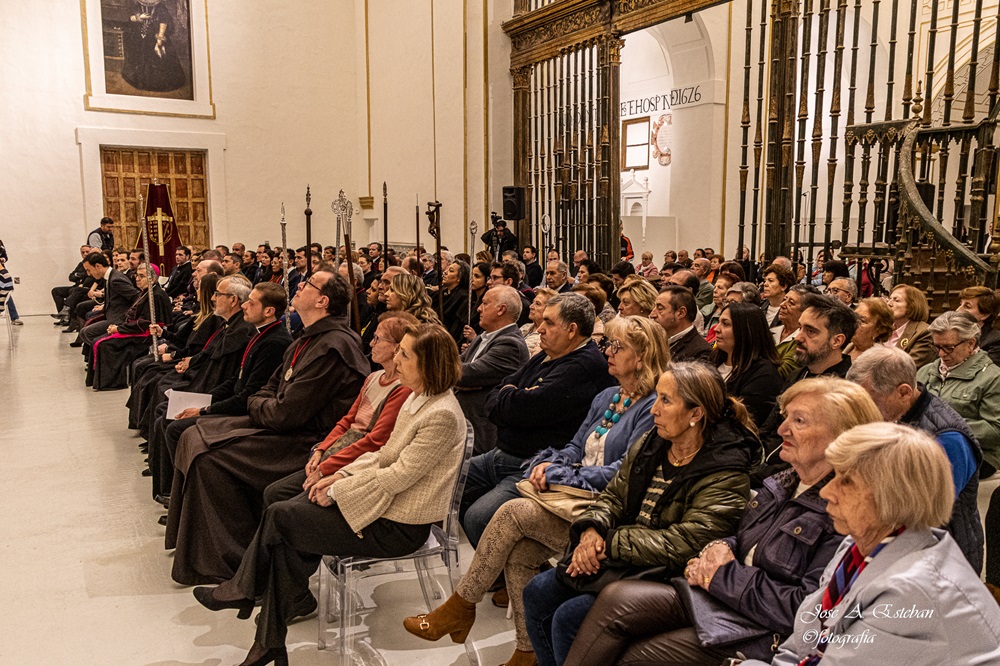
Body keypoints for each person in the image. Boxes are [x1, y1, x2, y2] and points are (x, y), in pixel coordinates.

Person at [191, 323, 468, 666]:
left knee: (282, 517)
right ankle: (267, 639)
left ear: (427, 365)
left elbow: (398, 476)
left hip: (398, 526)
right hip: (381, 505)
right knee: (286, 532)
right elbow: (383, 456)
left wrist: (338, 488)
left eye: (404, 353)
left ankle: (249, 593)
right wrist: (339, 474)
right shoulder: (418, 396)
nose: (396, 358)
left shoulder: (440, 413)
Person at [403, 316, 669, 666]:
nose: (609, 351)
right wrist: (552, 463)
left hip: (608, 516)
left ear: (643, 356)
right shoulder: (608, 396)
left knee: (511, 512)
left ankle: (461, 605)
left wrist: (566, 474)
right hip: (575, 500)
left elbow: (624, 473)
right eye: (609, 344)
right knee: (520, 553)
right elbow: (576, 445)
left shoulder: (652, 407)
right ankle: (525, 652)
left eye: (618, 346)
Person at [566, 378, 880, 666]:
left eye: (799, 421)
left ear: (842, 436)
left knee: (636, 655)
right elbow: (741, 540)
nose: (782, 429)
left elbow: (806, 609)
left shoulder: (844, 508)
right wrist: (717, 548)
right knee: (615, 599)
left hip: (759, 628)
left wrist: (723, 574)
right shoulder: (784, 482)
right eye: (786, 417)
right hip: (719, 596)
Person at [521, 362, 762, 666]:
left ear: (695, 413)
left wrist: (610, 543)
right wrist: (592, 530)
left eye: (666, 400)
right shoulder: (654, 443)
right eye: (657, 398)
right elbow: (614, 495)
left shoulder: (726, 470)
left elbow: (687, 542)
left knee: (569, 617)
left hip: (668, 574)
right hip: (624, 556)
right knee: (537, 592)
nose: (653, 410)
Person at [165, 271, 369, 585]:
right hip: (279, 424)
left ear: (322, 300)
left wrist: (258, 403)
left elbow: (286, 413)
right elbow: (269, 388)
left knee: (210, 457)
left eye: (308, 284)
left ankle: (234, 560)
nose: (298, 286)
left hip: (304, 441)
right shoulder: (309, 336)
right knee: (192, 434)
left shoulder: (333, 347)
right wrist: (261, 402)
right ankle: (202, 545)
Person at [740, 422, 1000, 666]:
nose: (826, 491)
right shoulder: (858, 545)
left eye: (847, 481)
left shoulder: (910, 591)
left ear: (894, 496)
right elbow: (807, 639)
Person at [459, 292, 615, 549]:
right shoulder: (548, 354)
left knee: (478, 518)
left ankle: (506, 576)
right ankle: (499, 568)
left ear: (572, 329)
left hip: (532, 464)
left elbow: (524, 410)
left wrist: (513, 395)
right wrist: (513, 394)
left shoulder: (583, 365)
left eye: (549, 323)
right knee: (453, 484)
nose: (539, 329)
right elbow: (496, 396)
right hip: (502, 453)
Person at [847, 345, 983, 572]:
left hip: (939, 561)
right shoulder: (893, 415)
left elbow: (922, 517)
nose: (863, 410)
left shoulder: (947, 439)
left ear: (903, 392)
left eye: (870, 401)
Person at [756, 294, 857, 478]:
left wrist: (756, 477)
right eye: (800, 328)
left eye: (810, 331)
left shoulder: (844, 390)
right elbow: (769, 429)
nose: (798, 338)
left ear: (837, 341)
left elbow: (816, 458)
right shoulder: (798, 375)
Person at [917, 310, 1000, 477]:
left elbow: (995, 430)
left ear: (970, 344)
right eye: (937, 346)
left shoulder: (992, 377)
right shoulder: (926, 371)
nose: (941, 354)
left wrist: (944, 428)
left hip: (977, 454)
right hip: (925, 446)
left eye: (948, 348)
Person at [456, 286, 531, 454]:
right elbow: (456, 365)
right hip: (462, 421)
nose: (478, 308)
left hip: (479, 432)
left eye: (484, 303)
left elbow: (465, 374)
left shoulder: (511, 345)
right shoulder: (484, 336)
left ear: (501, 309)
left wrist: (460, 381)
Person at [87, 264, 171, 390]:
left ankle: (113, 383)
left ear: (152, 279)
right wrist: (119, 326)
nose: (137, 278)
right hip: (136, 329)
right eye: (137, 275)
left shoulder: (155, 295)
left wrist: (119, 329)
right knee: (98, 340)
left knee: (105, 344)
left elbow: (144, 323)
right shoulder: (146, 292)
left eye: (142, 276)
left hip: (145, 334)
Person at [712, 302, 782, 428]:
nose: (717, 328)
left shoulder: (764, 375)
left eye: (726, 324)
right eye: (719, 322)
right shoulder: (713, 359)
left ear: (746, 330)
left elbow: (742, 422)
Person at [77, 251, 141, 350]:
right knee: (85, 331)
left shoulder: (115, 279)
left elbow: (137, 297)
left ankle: (111, 351)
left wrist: (128, 316)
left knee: (87, 333)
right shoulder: (110, 277)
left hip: (119, 320)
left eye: (89, 270)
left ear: (97, 266)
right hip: (111, 316)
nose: (89, 274)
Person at [121, 0, 186, 92]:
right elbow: (129, 19)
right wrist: (138, 17)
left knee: (158, 58)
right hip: (139, 39)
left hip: (155, 38)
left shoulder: (160, 7)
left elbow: (164, 21)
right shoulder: (137, 6)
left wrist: (159, 39)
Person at [649, 285, 712, 362]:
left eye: (660, 309)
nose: (652, 314)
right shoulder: (655, 341)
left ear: (681, 313)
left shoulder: (701, 353)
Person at [773, 285, 820, 379]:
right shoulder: (771, 331)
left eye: (791, 303)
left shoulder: (803, 340)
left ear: (806, 311)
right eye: (784, 299)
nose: (782, 305)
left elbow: (781, 371)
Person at [887, 284, 935, 368]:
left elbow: (908, 368)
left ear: (912, 306)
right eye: (889, 299)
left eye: (896, 300)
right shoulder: (883, 328)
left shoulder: (924, 332)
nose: (889, 304)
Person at [958, 285, 1000, 365]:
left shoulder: (996, 341)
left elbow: (984, 371)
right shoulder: (952, 332)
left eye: (967, 306)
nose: (958, 310)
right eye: (960, 304)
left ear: (985, 315)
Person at [844, 296, 893, 361]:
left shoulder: (881, 360)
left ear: (879, 330)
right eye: (854, 317)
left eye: (862, 321)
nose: (853, 323)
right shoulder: (844, 346)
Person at [438, 260, 471, 346]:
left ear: (459, 278)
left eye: (451, 271)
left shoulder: (462, 297)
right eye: (447, 269)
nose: (445, 272)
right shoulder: (443, 293)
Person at [520, 287, 556, 357]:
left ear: (549, 309)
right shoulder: (525, 326)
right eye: (533, 302)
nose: (531, 306)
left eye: (537, 304)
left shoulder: (546, 337)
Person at [701, 271, 736, 342]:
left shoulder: (733, 315)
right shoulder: (706, 309)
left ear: (730, 292)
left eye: (720, 288)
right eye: (715, 287)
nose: (715, 291)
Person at [760, 263, 795, 328]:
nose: (765, 284)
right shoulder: (760, 306)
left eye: (770, 281)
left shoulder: (791, 311)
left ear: (784, 286)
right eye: (765, 281)